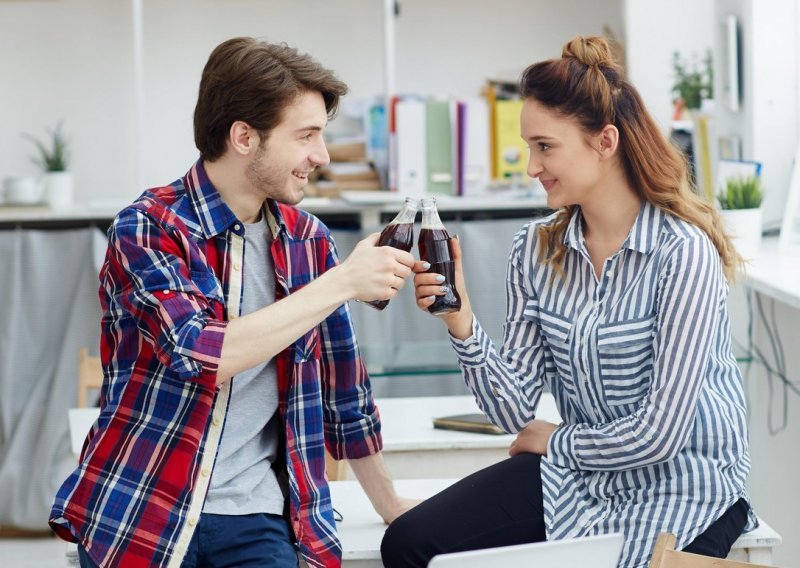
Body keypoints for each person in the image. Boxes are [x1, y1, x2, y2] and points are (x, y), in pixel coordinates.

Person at [382, 35, 756, 568]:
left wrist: (557, 440)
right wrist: (460, 319)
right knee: (409, 543)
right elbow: (512, 410)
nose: (531, 166)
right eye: (529, 147)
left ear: (605, 142)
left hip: (683, 483)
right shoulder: (534, 249)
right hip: (578, 475)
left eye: (545, 146)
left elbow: (662, 434)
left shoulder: (682, 251)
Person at [50, 37, 418, 568]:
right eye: (307, 136)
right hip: (143, 509)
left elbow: (345, 388)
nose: (322, 155)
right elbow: (200, 355)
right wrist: (340, 283)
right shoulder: (149, 227)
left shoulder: (307, 240)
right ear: (245, 136)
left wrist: (390, 506)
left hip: (258, 518)